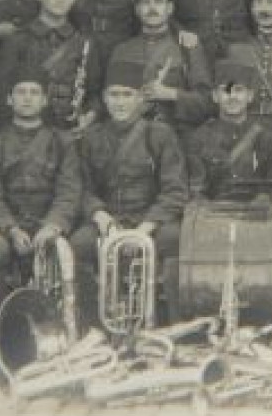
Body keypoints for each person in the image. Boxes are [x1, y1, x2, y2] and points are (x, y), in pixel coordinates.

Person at [71, 58, 190, 321]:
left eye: (128, 94)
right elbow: (81, 187)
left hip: (151, 219)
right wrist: (99, 215)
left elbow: (175, 190)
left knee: (175, 241)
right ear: (104, 98)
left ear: (141, 100)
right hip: (108, 219)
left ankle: (175, 322)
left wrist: (146, 228)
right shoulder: (92, 137)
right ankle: (92, 325)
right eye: (114, 95)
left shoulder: (160, 134)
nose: (120, 102)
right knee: (79, 245)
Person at [0, 72, 85, 298]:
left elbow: (69, 191)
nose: (27, 98)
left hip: (48, 224)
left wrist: (52, 226)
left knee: (70, 251)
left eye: (34, 93)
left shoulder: (63, 142)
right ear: (9, 99)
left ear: (45, 100)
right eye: (21, 92)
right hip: (9, 228)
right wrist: (11, 229)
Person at [0, 0, 102, 136]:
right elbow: (2, 95)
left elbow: (95, 92)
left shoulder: (85, 43)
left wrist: (90, 114)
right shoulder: (18, 40)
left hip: (69, 132)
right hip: (27, 133)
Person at [106, 0, 214, 137]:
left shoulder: (188, 47)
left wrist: (170, 94)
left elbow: (206, 103)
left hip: (177, 135)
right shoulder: (121, 50)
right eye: (146, 2)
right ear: (137, 9)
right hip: (131, 138)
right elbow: (110, 99)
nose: (152, 8)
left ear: (169, 8)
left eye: (158, 1)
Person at [186, 59, 272, 200]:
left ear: (250, 96)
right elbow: (196, 189)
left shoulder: (266, 137)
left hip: (256, 213)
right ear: (215, 96)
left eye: (239, 90)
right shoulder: (199, 138)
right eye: (225, 91)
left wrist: (262, 199)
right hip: (213, 212)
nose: (232, 97)